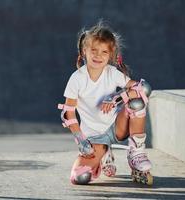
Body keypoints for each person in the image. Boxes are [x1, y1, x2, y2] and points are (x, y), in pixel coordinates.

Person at [58, 21, 152, 185]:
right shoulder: (77, 78)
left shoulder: (112, 73)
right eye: (93, 50)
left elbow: (143, 88)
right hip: (94, 136)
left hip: (117, 126)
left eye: (104, 52)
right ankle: (105, 152)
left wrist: (116, 97)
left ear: (111, 56)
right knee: (79, 177)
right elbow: (68, 113)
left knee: (136, 103)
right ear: (84, 51)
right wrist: (81, 140)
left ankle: (136, 153)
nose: (98, 55)